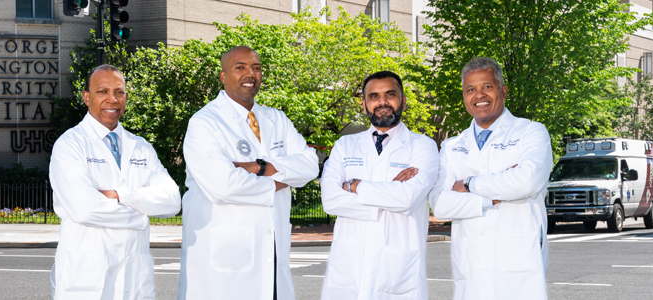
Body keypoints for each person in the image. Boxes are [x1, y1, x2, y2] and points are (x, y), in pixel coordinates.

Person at [178, 46, 319, 300]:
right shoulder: (204, 122)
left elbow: (310, 164)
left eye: (256, 68)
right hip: (224, 258)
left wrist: (260, 167)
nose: (250, 74)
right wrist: (283, 178)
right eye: (240, 67)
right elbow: (225, 185)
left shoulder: (276, 119)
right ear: (223, 76)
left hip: (273, 248)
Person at [49, 64, 182, 299]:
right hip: (87, 280)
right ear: (87, 97)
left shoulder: (141, 146)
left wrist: (124, 196)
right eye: (103, 91)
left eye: (119, 92)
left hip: (135, 280)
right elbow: (85, 209)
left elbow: (172, 201)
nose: (112, 99)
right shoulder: (70, 145)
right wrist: (143, 213)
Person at [428, 57, 553, 300]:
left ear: (503, 91)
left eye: (487, 86)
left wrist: (468, 185)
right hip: (470, 267)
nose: (479, 95)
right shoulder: (453, 145)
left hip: (519, 264)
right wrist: (495, 196)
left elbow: (527, 182)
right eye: (470, 89)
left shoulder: (531, 132)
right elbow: (441, 205)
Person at [319, 71, 439, 300]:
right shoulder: (345, 145)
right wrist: (388, 193)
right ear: (364, 104)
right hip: (348, 273)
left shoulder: (423, 146)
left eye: (390, 94)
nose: (382, 102)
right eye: (373, 96)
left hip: (397, 274)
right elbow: (330, 199)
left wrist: (354, 185)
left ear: (403, 100)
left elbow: (408, 199)